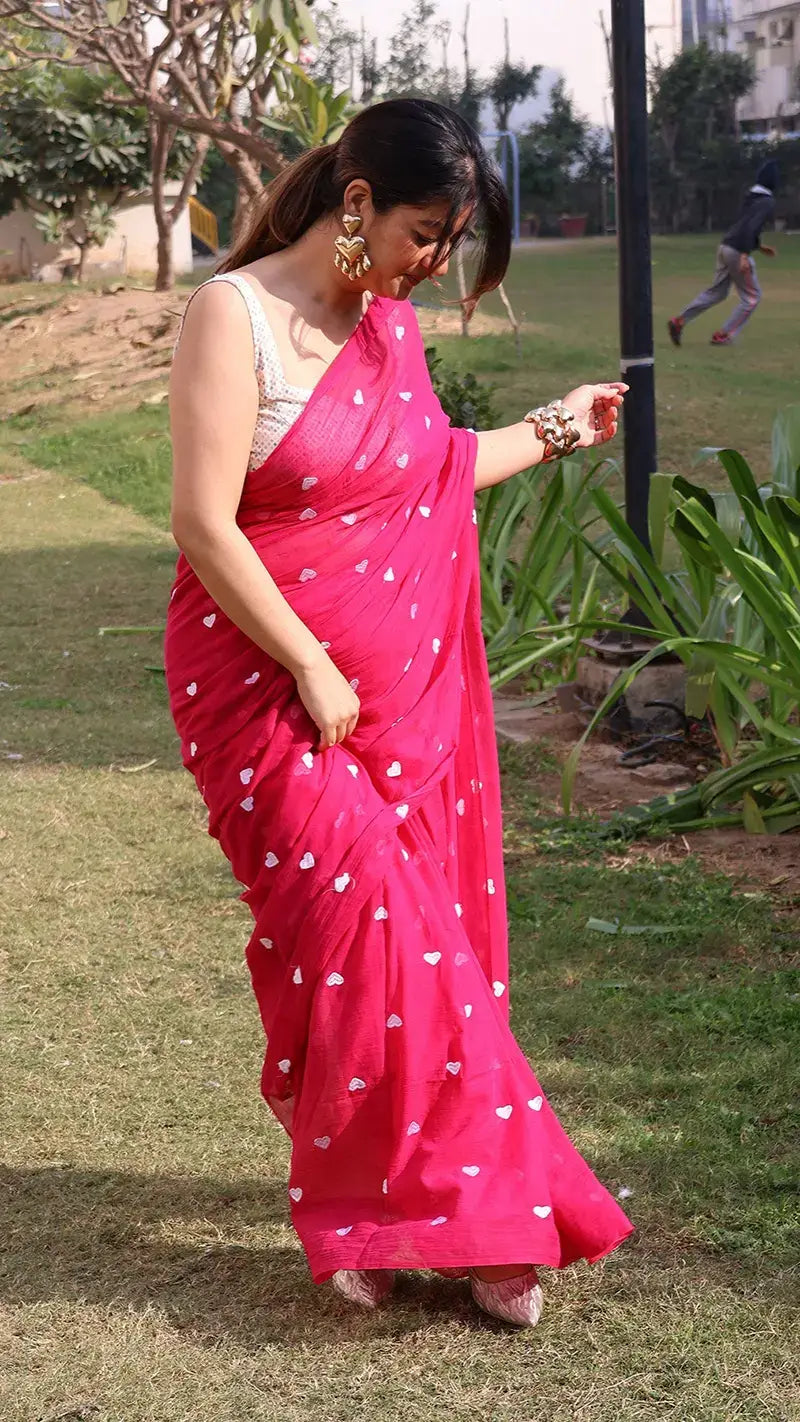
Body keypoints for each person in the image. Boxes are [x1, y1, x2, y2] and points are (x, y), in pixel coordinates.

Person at [166, 97, 633, 1329]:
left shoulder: (387, 331)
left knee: (382, 952)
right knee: (371, 935)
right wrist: (312, 664)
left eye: (452, 241)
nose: (435, 263)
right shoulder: (237, 315)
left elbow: (424, 473)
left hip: (401, 708)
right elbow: (205, 523)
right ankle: (473, 1220)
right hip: (267, 694)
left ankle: (395, 1204)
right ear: (359, 201)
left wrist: (550, 429)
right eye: (430, 233)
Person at [668, 160, 779, 348]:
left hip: (725, 247)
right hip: (737, 251)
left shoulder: (750, 196)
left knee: (717, 293)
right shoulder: (767, 201)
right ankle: (724, 335)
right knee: (752, 298)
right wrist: (745, 254)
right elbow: (751, 226)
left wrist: (758, 246)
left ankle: (680, 321)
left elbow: (743, 225)